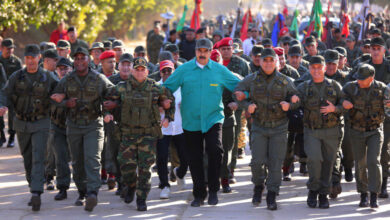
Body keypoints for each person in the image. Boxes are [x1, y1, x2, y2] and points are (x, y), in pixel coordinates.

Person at [163, 38, 241, 207]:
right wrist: (162, 100)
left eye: (206, 51)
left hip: (213, 117)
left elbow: (238, 85)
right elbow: (167, 87)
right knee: (195, 157)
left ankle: (213, 190)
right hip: (191, 120)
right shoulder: (184, 70)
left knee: (215, 150)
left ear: (211, 52)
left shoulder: (219, 70)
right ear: (195, 51)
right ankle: (199, 194)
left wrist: (243, 97)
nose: (203, 54)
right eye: (200, 51)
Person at [104, 57, 174, 211]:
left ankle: (141, 199)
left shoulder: (155, 87)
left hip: (148, 135)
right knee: (126, 166)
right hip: (127, 134)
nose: (140, 72)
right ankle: (130, 185)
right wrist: (107, 113)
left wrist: (168, 117)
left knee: (145, 169)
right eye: (137, 69)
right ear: (132, 71)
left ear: (147, 71)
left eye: (143, 70)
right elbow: (106, 100)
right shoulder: (121, 87)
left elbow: (169, 99)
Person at [234, 48, 300, 210]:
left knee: (276, 162)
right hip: (259, 127)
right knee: (257, 161)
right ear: (261, 62)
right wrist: (246, 105)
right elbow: (236, 93)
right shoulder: (252, 79)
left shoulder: (285, 81)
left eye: (272, 60)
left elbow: (298, 99)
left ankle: (272, 193)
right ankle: (258, 186)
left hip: (279, 127)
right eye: (266, 60)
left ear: (277, 62)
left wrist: (290, 105)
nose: (269, 63)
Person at [51, 47, 114, 212]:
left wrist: (110, 106)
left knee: (92, 159)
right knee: (77, 162)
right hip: (73, 126)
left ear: (88, 59)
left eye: (82, 58)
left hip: (94, 124)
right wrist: (65, 103)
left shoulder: (98, 78)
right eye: (76, 58)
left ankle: (92, 193)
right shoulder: (67, 80)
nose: (79, 61)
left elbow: (113, 94)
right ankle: (82, 191)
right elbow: (54, 99)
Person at [0, 44, 59, 211]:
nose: (31, 61)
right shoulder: (17, 76)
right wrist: (2, 105)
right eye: (28, 58)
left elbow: (60, 89)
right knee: (27, 158)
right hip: (21, 122)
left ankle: (36, 192)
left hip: (41, 122)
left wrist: (60, 97)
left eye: (33, 58)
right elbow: (4, 93)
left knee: (38, 155)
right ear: (25, 59)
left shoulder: (48, 77)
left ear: (39, 58)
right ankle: (33, 184)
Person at [297, 55, 345, 209]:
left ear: (324, 68)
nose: (316, 70)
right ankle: (313, 189)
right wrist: (289, 102)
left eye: (319, 67)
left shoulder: (335, 86)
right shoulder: (304, 87)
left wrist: (335, 109)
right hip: (312, 131)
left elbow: (346, 105)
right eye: (313, 68)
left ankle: (323, 194)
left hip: (331, 131)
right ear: (309, 69)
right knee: (315, 159)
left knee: (329, 163)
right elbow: (295, 101)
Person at [342, 64, 388, 208]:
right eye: (358, 78)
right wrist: (343, 102)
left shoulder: (382, 89)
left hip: (375, 130)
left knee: (374, 161)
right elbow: (339, 99)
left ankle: (374, 194)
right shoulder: (350, 87)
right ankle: (363, 194)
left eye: (363, 79)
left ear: (371, 78)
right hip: (357, 130)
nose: (359, 81)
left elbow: (387, 109)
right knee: (360, 163)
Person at [156, 60, 189, 199]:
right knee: (162, 158)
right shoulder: (156, 87)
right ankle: (164, 185)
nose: (167, 74)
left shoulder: (182, 87)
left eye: (169, 70)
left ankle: (179, 173)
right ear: (160, 72)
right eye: (164, 71)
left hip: (180, 127)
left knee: (185, 157)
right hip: (163, 129)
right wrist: (159, 107)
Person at [105, 53, 134, 196]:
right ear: (118, 66)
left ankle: (128, 183)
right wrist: (106, 112)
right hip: (114, 125)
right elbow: (103, 100)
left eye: (129, 65)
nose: (126, 67)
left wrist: (116, 103)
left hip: (132, 125)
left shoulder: (137, 81)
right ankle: (120, 181)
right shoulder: (111, 81)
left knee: (129, 155)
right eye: (123, 64)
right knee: (116, 154)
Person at [50, 57, 73, 201]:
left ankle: (84, 189)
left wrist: (62, 100)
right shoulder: (52, 85)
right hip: (57, 126)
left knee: (79, 159)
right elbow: (50, 103)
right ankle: (63, 187)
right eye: (60, 69)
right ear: (56, 71)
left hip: (76, 126)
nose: (63, 71)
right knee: (61, 158)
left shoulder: (76, 84)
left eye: (66, 68)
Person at [0, 38, 22, 147]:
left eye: (12, 48)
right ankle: (1, 136)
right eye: (8, 49)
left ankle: (11, 138)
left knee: (12, 116)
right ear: (1, 48)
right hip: (0, 92)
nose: (10, 50)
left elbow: (21, 78)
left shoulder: (17, 61)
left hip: (13, 92)